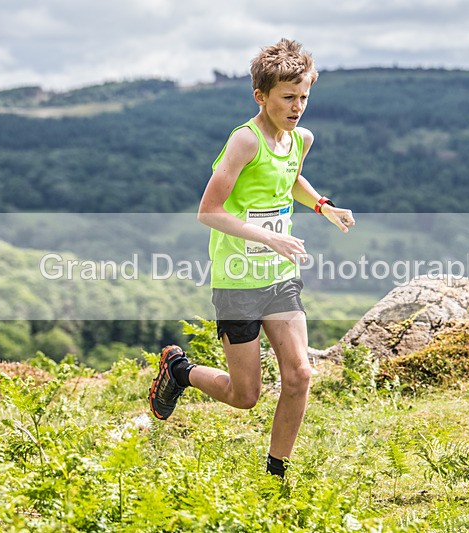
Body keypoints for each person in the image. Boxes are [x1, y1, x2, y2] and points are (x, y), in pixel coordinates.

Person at [148, 38, 355, 479]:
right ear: (261, 96)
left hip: (279, 278)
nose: (297, 107)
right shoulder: (244, 141)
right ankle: (179, 370)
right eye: (287, 97)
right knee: (245, 396)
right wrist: (268, 236)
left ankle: (275, 476)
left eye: (304, 97)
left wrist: (323, 206)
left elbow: (292, 179)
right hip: (239, 280)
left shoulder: (301, 139)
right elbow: (209, 211)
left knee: (299, 375)